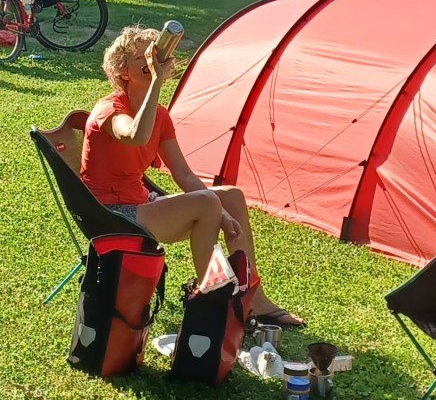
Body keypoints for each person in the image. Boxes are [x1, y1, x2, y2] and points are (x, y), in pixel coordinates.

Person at [80, 24, 305, 327]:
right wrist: (157, 81)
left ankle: (255, 300)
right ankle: (213, 303)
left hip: (141, 203)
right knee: (206, 203)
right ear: (123, 72)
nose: (152, 61)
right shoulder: (109, 109)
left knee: (231, 197)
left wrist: (223, 212)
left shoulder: (160, 116)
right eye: (142, 58)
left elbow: (184, 174)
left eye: (155, 54)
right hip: (112, 214)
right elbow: (135, 135)